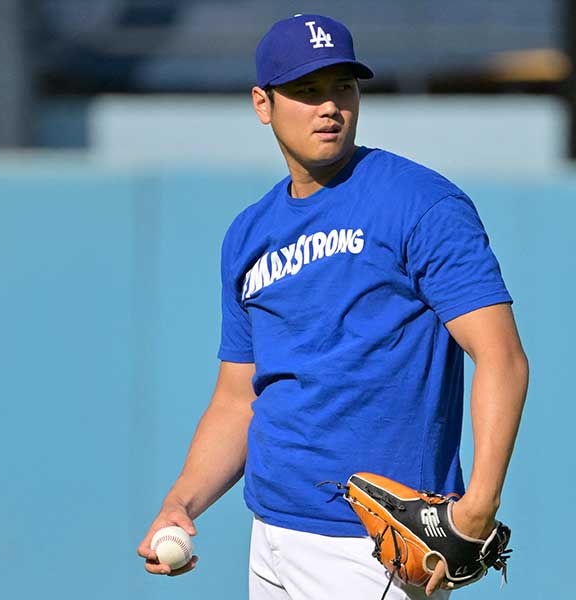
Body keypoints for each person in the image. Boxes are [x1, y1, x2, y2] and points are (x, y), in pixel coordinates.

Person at [137, 13, 529, 600]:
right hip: (270, 533)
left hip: (374, 546)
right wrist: (181, 501)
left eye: (342, 86)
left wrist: (478, 506)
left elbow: (502, 359)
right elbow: (238, 398)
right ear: (263, 104)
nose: (330, 107)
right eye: (306, 90)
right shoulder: (249, 235)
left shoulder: (421, 205)